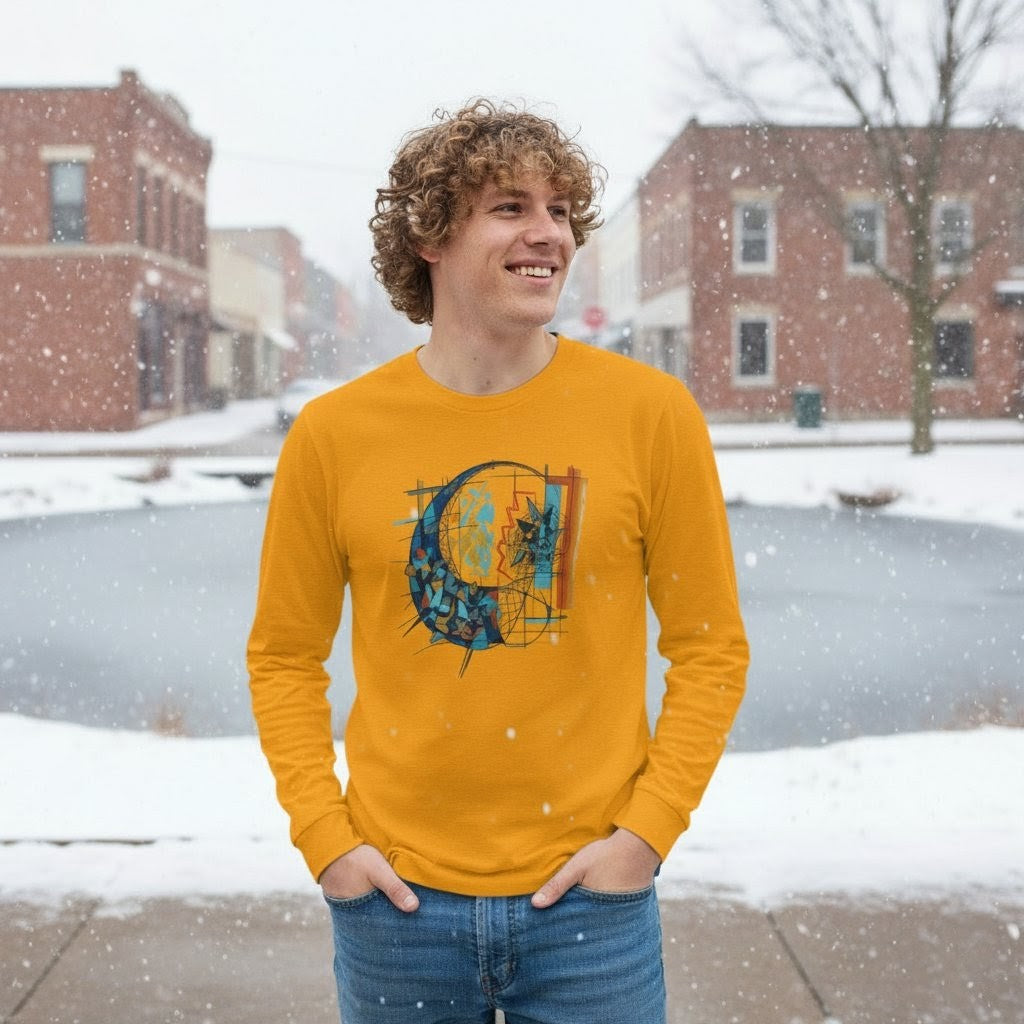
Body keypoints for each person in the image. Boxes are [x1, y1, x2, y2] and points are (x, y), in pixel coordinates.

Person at [247, 99, 749, 1024]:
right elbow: (283, 655)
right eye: (510, 207)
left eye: (560, 211)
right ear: (431, 237)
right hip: (396, 905)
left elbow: (712, 648)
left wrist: (645, 835)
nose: (547, 233)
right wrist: (328, 841)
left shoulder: (650, 414)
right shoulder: (334, 435)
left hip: (592, 907)